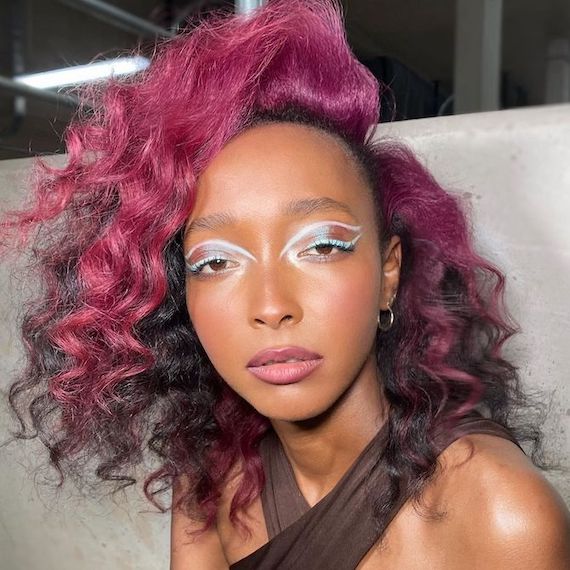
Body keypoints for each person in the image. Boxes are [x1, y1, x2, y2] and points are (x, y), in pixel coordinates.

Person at [1, 0, 569, 568]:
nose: (270, 307)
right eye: (216, 262)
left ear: (388, 274)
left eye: (320, 246)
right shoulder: (211, 481)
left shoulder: (499, 512)